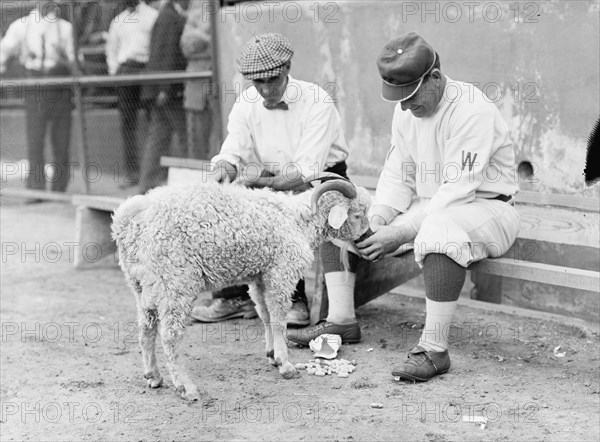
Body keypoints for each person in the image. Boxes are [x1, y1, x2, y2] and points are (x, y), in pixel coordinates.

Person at [288, 32, 521, 382]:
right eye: (399, 99)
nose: (406, 105)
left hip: (486, 208)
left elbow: (456, 192)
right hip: (429, 207)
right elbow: (398, 176)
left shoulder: (472, 109)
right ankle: (341, 320)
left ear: (436, 78)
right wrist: (377, 219)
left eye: (411, 96)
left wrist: (397, 233)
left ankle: (434, 350)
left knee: (439, 230)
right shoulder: (406, 113)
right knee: (339, 213)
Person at [191, 33, 350, 327]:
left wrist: (258, 185)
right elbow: (233, 150)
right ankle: (236, 295)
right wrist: (222, 172)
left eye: (272, 80)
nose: (265, 89)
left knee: (284, 217)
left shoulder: (317, 101)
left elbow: (306, 172)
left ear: (288, 67)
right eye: (258, 82)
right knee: (230, 208)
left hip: (324, 179)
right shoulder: (246, 102)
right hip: (273, 177)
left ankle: (292, 299)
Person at [0, 0, 76, 196]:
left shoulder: (64, 27)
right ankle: (36, 189)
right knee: (35, 139)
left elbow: (75, 60)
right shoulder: (22, 25)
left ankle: (59, 189)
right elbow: (3, 51)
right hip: (35, 86)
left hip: (59, 85)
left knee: (61, 139)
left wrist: (65, 59)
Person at [105, 0, 158, 188]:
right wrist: (115, 72)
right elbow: (111, 50)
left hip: (146, 70)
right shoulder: (118, 21)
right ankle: (132, 172)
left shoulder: (152, 16)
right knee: (128, 124)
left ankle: (153, 173)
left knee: (154, 119)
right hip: (125, 72)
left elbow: (156, 47)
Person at [137, 0, 188, 192]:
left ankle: (147, 184)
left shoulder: (168, 15)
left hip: (164, 89)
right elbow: (164, 53)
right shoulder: (169, 17)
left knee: (158, 138)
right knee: (184, 137)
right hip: (168, 91)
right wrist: (165, 89)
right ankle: (188, 184)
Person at [180, 0, 216, 160]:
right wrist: (207, 36)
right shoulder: (198, 5)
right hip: (197, 84)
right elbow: (186, 44)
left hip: (223, 83)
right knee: (197, 145)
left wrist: (201, 36)